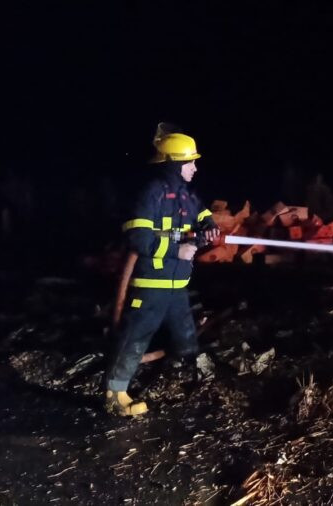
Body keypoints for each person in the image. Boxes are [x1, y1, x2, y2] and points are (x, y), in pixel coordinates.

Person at [104, 128, 220, 416]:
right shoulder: (151, 195)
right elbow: (138, 238)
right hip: (152, 282)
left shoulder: (186, 196)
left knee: (185, 334)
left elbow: (203, 216)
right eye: (189, 162)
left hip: (176, 284)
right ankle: (114, 394)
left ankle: (184, 374)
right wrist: (176, 250)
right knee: (136, 336)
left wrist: (209, 228)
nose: (195, 167)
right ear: (173, 164)